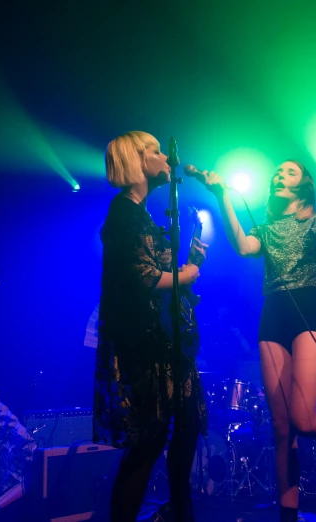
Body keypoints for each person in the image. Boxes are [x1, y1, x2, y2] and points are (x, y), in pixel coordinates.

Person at [193, 160, 316, 522]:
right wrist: (223, 195)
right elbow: (242, 246)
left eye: (289, 172)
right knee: (281, 425)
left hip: (311, 308)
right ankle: (288, 514)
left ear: (304, 186)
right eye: (277, 172)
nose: (278, 176)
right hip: (275, 313)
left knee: (302, 418)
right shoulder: (268, 228)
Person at [93, 131, 208, 522]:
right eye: (156, 152)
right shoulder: (124, 212)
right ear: (139, 161)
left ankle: (178, 510)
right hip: (145, 344)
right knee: (150, 440)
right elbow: (143, 276)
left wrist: (189, 259)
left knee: (185, 424)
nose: (165, 159)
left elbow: (152, 273)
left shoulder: (139, 212)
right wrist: (188, 274)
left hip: (164, 339)